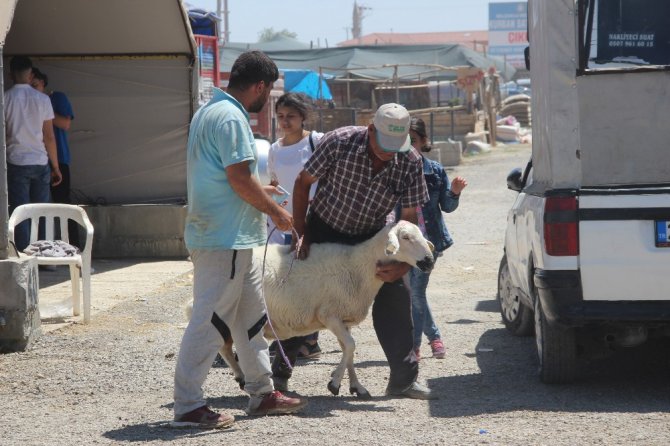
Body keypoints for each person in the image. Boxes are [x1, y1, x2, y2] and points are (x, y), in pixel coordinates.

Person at [172, 50, 307, 430]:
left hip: (231, 235)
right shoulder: (231, 117)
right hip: (223, 238)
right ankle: (188, 405)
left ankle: (262, 393)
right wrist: (278, 213)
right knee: (211, 320)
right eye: (269, 92)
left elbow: (226, 176)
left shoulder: (210, 111)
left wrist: (261, 192)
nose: (269, 101)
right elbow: (238, 180)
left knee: (251, 318)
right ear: (260, 86)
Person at [275, 102, 436, 400]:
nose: (389, 153)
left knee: (395, 295)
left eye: (395, 147)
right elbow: (302, 182)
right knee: (298, 297)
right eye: (384, 144)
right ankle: (278, 379)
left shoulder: (410, 161)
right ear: (370, 129)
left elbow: (409, 217)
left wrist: (403, 264)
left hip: (372, 237)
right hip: (325, 229)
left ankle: (404, 380)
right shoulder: (340, 141)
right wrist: (301, 232)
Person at [267, 92, 323, 359]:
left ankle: (309, 340)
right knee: (286, 280)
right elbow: (275, 184)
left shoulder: (317, 142)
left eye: (290, 116)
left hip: (313, 222)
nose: (285, 121)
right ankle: (292, 337)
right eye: (280, 117)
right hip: (283, 224)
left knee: (310, 280)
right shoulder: (274, 150)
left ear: (303, 117)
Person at [407, 117, 467, 360]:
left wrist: (454, 192)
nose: (407, 145)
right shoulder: (390, 170)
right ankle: (434, 338)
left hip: (429, 243)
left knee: (416, 291)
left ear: (423, 142)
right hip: (402, 245)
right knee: (413, 292)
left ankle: (416, 346)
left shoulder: (435, 171)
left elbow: (447, 206)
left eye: (412, 140)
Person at [5, 56, 62, 252]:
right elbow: (49, 137)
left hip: (15, 161)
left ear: (11, 74)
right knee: (42, 211)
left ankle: (23, 255)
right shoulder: (43, 99)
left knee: (20, 211)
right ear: (30, 75)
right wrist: (55, 166)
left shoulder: (5, 99)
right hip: (39, 161)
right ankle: (45, 254)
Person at [31, 67, 79, 247]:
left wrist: (43, 110)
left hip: (59, 159)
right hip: (37, 159)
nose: (32, 90)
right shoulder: (28, 101)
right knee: (38, 206)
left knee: (63, 205)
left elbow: (65, 123)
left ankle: (74, 247)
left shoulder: (56, 98)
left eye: (35, 85)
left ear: (43, 82)